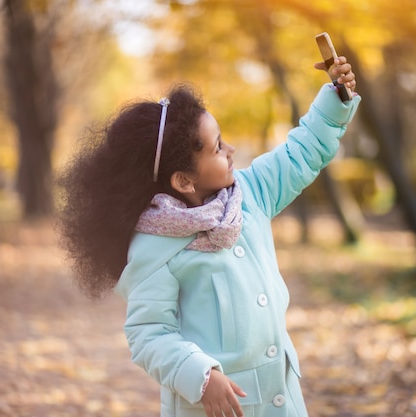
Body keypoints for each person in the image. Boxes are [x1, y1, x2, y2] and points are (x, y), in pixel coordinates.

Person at [58, 56, 360, 417]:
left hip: (281, 400)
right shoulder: (156, 248)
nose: (230, 151)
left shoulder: (250, 193)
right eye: (217, 148)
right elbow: (148, 332)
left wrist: (334, 99)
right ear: (184, 181)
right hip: (215, 407)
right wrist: (198, 375)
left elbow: (299, 154)